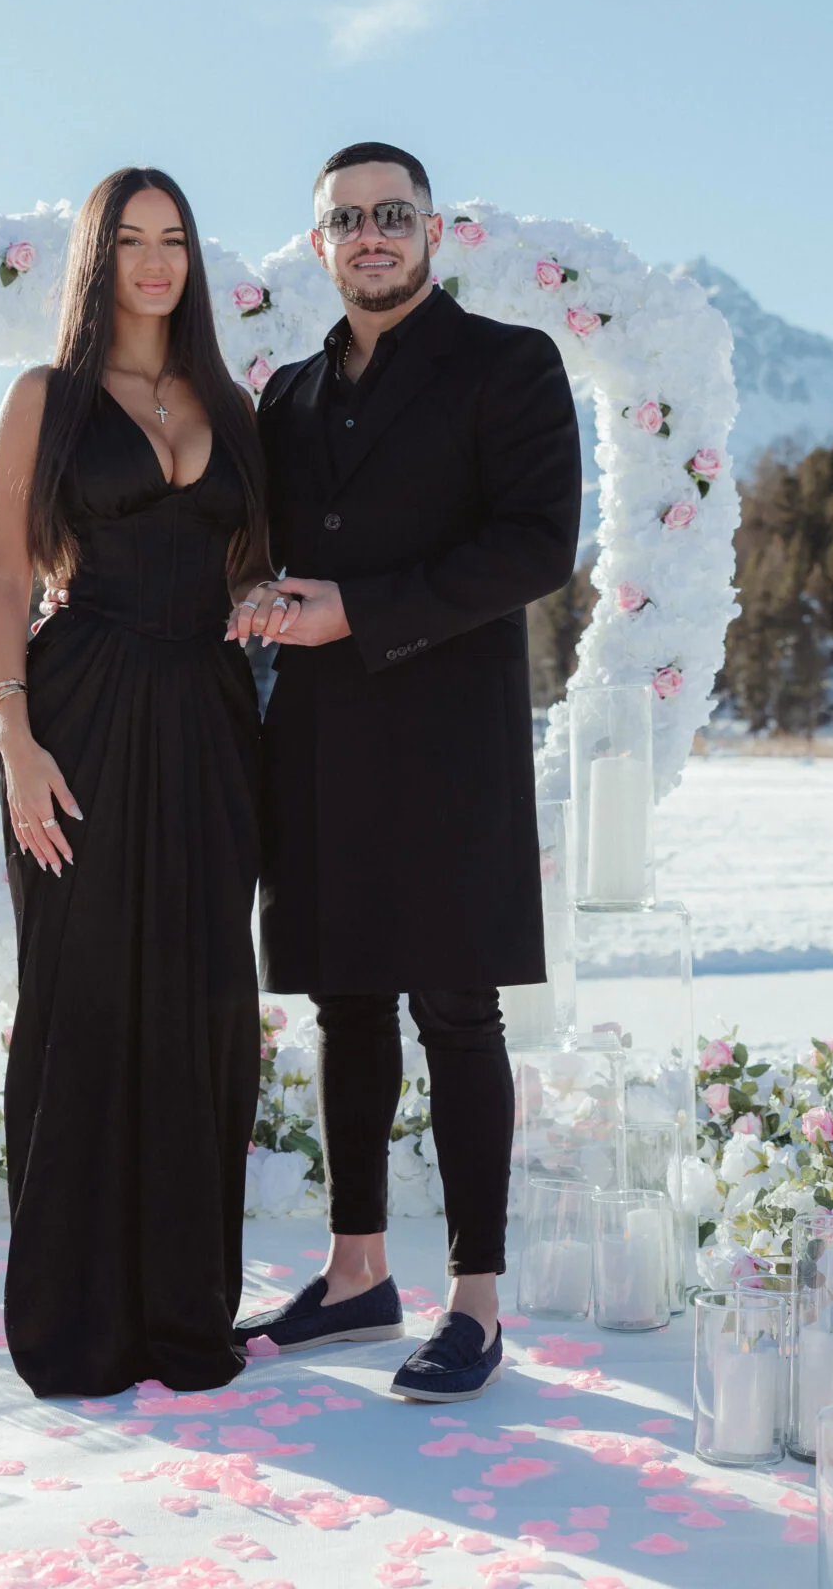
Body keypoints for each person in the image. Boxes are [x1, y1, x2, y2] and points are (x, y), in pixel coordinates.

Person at [229, 142, 581, 1403]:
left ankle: (476, 1302)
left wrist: (359, 613)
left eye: (392, 215)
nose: (370, 235)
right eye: (345, 220)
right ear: (317, 244)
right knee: (344, 1005)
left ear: (435, 231)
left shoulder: (509, 364)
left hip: (445, 735)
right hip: (315, 737)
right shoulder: (285, 397)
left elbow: (537, 544)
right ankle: (356, 1274)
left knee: (457, 1011)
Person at [0, 167, 271, 1397]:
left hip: (209, 724)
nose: (157, 262)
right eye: (132, 241)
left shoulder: (231, 404)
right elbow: (2, 576)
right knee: (85, 996)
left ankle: (182, 1309)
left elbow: (257, 561)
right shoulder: (42, 397)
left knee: (206, 998)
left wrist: (261, 599)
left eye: (175, 241)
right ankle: (77, 1321)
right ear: (98, 260)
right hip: (81, 715)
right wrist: (16, 739)